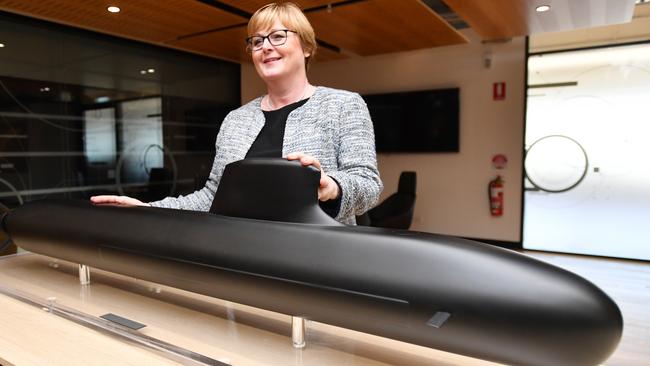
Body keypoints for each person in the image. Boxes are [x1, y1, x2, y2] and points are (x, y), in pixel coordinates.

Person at [91, 2, 382, 225]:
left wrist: (331, 186)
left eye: (278, 36)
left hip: (320, 261)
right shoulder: (236, 120)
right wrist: (147, 209)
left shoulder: (344, 105)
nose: (265, 46)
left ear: (306, 47)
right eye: (256, 41)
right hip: (244, 255)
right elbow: (211, 196)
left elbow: (368, 186)